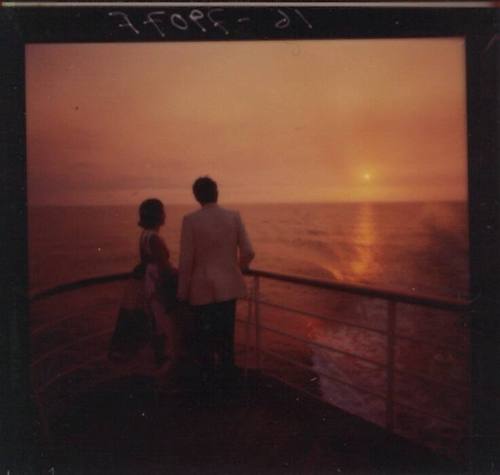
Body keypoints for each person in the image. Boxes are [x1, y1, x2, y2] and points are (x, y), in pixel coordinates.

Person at [177, 177, 255, 386]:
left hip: (201, 293)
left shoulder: (190, 220)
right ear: (217, 193)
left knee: (204, 345)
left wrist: (182, 294)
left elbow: (185, 262)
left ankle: (208, 391)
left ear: (196, 196)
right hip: (228, 290)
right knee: (226, 341)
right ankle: (228, 388)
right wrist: (238, 268)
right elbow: (248, 251)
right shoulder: (233, 217)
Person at [138, 198, 180, 370]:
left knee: (157, 328)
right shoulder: (155, 239)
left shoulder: (144, 236)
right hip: (158, 288)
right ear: (158, 215)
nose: (165, 214)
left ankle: (160, 371)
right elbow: (166, 270)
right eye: (163, 211)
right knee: (166, 329)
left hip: (150, 285)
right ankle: (165, 377)